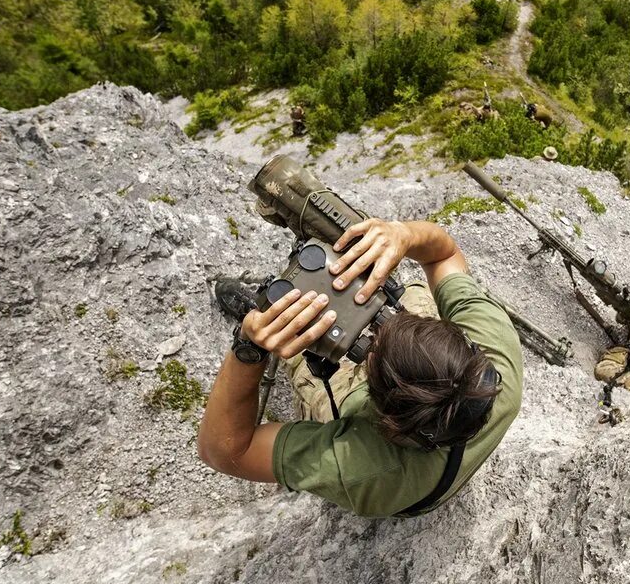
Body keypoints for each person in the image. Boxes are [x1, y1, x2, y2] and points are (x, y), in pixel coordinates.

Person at [197, 218, 523, 518]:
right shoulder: (496, 358)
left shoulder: (361, 469)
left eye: (371, 354)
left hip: (390, 459)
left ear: (384, 419)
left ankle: (262, 310)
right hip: (427, 425)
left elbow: (223, 451)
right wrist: (403, 235)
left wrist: (250, 347)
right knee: (412, 293)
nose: (373, 332)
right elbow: (444, 255)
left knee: (301, 340)